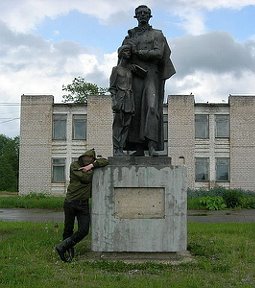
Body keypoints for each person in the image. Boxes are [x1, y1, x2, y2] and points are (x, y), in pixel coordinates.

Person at [121, 5, 176, 156]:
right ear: (136, 16)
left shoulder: (157, 34)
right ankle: (139, 148)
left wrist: (138, 52)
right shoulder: (130, 35)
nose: (143, 15)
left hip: (151, 74)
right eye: (140, 13)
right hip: (134, 75)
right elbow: (123, 54)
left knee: (151, 107)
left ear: (150, 16)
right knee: (135, 110)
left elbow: (159, 53)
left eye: (145, 13)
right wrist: (125, 53)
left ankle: (151, 145)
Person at [55, 148, 108, 262]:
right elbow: (86, 178)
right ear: (82, 157)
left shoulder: (90, 166)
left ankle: (62, 247)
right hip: (70, 202)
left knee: (84, 230)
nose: (87, 160)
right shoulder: (74, 165)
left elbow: (105, 161)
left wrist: (91, 166)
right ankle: (67, 252)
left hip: (83, 204)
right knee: (68, 230)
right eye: (85, 157)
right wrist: (93, 168)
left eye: (90, 159)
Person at [109, 44, 147, 156]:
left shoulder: (130, 69)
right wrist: (114, 100)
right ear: (121, 53)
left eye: (129, 51)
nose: (128, 53)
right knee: (118, 125)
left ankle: (121, 147)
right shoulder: (116, 69)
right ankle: (116, 149)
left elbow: (144, 74)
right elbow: (112, 87)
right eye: (126, 51)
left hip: (129, 99)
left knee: (126, 125)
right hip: (120, 98)